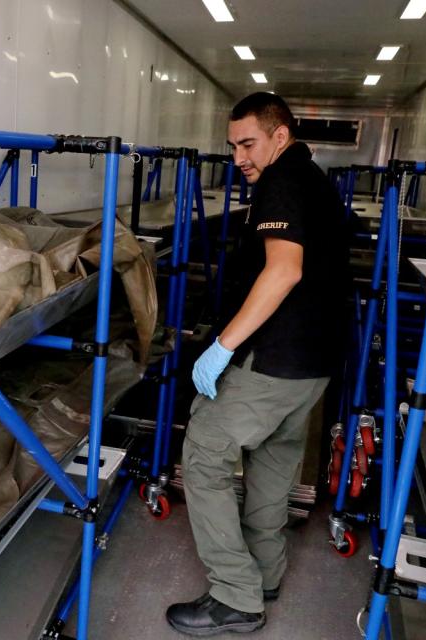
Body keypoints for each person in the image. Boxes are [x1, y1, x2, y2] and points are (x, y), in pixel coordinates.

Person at [166, 92, 349, 635]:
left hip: (272, 360)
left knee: (203, 455)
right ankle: (266, 575)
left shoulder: (282, 183)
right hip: (313, 366)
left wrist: (222, 346)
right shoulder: (314, 179)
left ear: (279, 136)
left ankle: (236, 597)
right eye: (233, 146)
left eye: (248, 143)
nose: (240, 157)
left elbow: (284, 271)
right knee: (273, 463)